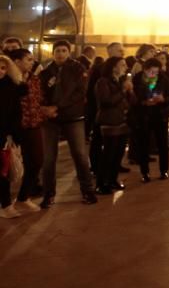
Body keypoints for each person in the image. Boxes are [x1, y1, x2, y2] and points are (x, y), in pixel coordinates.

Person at [38, 40, 97, 206]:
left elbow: (79, 93)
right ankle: (48, 194)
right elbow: (40, 92)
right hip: (51, 119)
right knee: (48, 158)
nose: (60, 54)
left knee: (79, 155)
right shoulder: (47, 71)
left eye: (64, 50)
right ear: (53, 53)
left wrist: (57, 106)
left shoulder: (78, 69)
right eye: (57, 50)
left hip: (73, 117)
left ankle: (87, 190)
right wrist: (45, 108)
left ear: (69, 52)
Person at [94, 57, 133, 194]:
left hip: (121, 120)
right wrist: (122, 90)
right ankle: (102, 183)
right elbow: (106, 101)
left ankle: (112, 179)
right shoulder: (103, 82)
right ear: (113, 67)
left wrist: (130, 91)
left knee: (118, 153)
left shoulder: (121, 81)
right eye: (122, 64)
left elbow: (130, 101)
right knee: (108, 153)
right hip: (109, 121)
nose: (125, 67)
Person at [10, 49, 44, 207]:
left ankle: (24, 197)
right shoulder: (8, 79)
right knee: (8, 166)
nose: (32, 62)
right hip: (14, 127)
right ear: (17, 62)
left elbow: (37, 100)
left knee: (36, 160)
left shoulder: (34, 78)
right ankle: (5, 203)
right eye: (28, 59)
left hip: (33, 124)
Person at [131, 58, 169, 182]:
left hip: (160, 115)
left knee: (163, 144)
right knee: (143, 145)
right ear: (145, 70)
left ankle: (164, 170)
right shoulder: (137, 80)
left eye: (156, 72)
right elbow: (132, 98)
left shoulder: (163, 79)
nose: (154, 75)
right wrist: (143, 102)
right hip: (143, 116)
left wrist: (163, 99)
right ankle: (145, 173)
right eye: (151, 72)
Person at [0, 54, 25, 218]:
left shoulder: (10, 88)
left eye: (3, 68)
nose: (0, 71)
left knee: (2, 171)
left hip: (2, 134)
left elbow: (16, 114)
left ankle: (6, 205)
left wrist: (13, 135)